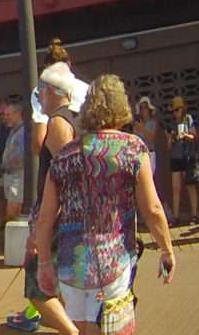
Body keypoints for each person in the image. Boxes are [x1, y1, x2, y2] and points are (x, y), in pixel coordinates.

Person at [36, 74, 175, 334]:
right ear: (121, 107)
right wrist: (166, 249)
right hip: (114, 262)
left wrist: (44, 263)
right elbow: (153, 209)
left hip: (71, 265)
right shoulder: (132, 148)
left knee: (79, 328)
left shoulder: (64, 156)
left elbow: (45, 218)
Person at [8, 61, 81, 334]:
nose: (37, 97)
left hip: (58, 217)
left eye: (40, 91)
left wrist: (41, 228)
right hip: (65, 217)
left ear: (51, 91)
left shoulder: (59, 123)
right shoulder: (71, 117)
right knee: (56, 285)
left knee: (37, 288)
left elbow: (64, 181)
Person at [167, 95, 199, 226]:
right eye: (173, 111)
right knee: (175, 188)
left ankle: (195, 215)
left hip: (187, 155)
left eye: (177, 110)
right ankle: (175, 217)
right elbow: (168, 146)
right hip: (175, 157)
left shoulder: (188, 119)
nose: (175, 113)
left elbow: (194, 136)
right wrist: (170, 138)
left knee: (190, 185)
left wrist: (185, 135)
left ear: (182, 109)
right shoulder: (171, 124)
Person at [1, 102, 26, 222]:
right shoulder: (12, 132)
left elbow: (21, 155)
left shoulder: (23, 132)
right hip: (9, 175)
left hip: (18, 174)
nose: (6, 118)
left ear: (17, 114)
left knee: (13, 209)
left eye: (8, 114)